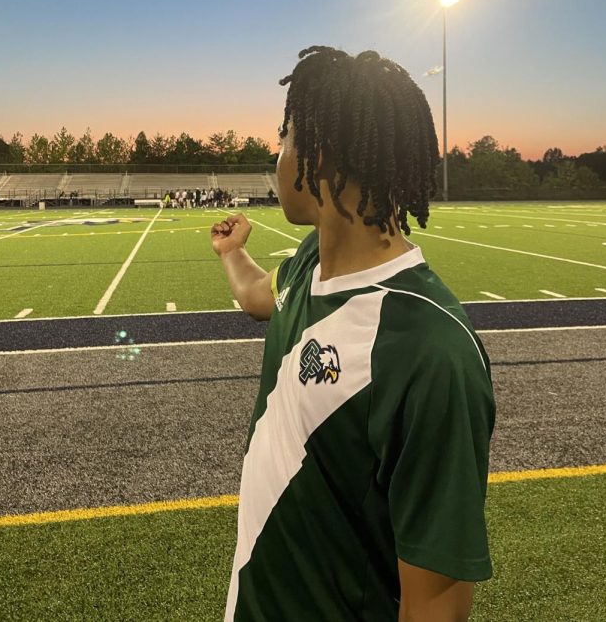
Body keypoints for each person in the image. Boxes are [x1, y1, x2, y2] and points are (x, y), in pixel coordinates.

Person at [211, 46, 495, 622]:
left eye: (286, 134)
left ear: (321, 154)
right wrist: (231, 253)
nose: (278, 152)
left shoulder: (428, 349)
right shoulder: (309, 262)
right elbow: (257, 299)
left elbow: (436, 605)